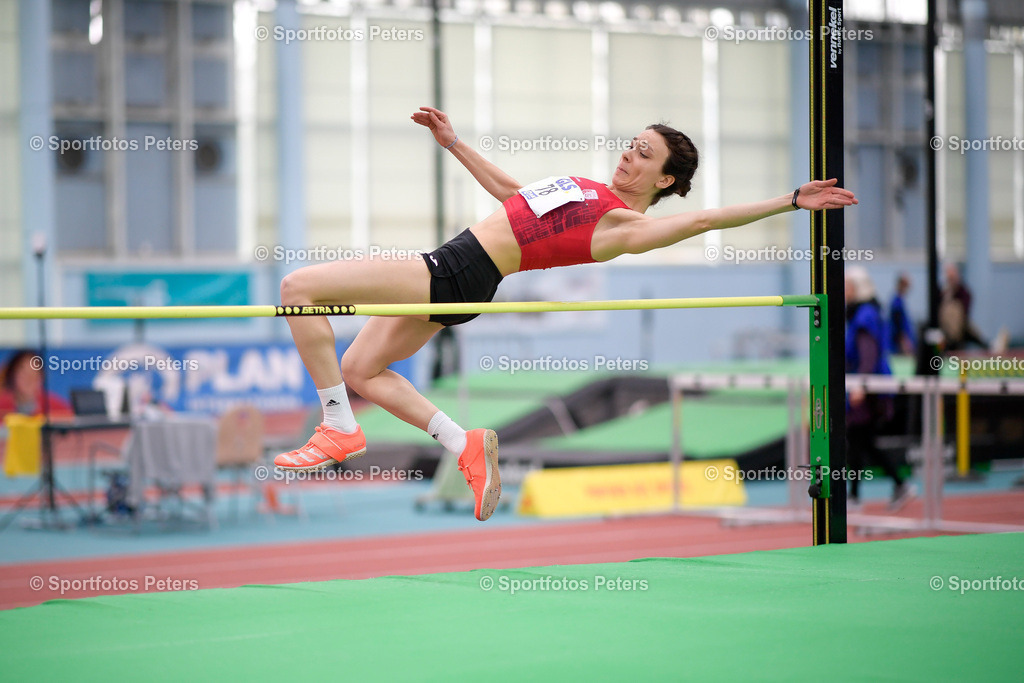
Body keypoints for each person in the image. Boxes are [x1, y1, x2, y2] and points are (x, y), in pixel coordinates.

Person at [273, 106, 859, 521]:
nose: (628, 155)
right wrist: (453, 143)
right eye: (631, 144)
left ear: (666, 179)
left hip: (450, 271)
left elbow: (704, 221)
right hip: (463, 273)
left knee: (298, 286)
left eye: (644, 155)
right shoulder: (591, 193)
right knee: (359, 369)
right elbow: (513, 196)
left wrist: (788, 200)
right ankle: (465, 443)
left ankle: (339, 426)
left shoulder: (626, 227)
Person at [845, 268, 913, 511]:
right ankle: (897, 485)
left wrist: (860, 386)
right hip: (866, 385)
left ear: (858, 287)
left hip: (870, 388)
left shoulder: (865, 315)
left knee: (858, 441)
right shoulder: (860, 313)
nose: (843, 290)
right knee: (863, 442)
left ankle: (855, 496)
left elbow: (868, 354)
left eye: (847, 286)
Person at [0, 350, 72, 421]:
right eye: (24, 374)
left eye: (34, 374)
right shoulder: (2, 405)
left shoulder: (55, 407)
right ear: (12, 375)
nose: (29, 379)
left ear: (42, 377)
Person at [939, 263, 988, 351]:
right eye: (949, 278)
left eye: (953, 278)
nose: (951, 280)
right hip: (944, 329)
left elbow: (964, 313)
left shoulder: (964, 293)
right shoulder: (941, 292)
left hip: (961, 327)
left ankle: (990, 347)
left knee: (971, 330)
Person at [887, 273, 915, 356]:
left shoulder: (898, 300)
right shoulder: (897, 303)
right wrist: (904, 341)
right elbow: (898, 325)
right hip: (898, 344)